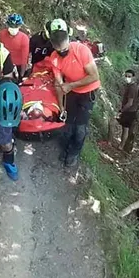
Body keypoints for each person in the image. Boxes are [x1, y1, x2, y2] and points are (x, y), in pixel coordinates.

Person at [47, 18, 101, 168]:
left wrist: (71, 85)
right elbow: (59, 84)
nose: (63, 53)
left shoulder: (81, 50)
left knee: (80, 128)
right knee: (68, 124)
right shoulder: (54, 58)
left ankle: (73, 154)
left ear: (68, 41)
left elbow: (94, 76)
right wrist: (61, 107)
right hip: (71, 90)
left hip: (87, 91)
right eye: (59, 51)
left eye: (65, 49)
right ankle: (65, 149)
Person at [0, 14, 29, 80]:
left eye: (16, 26)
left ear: (19, 26)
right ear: (8, 25)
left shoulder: (24, 38)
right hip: (4, 63)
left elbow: (24, 59)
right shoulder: (1, 35)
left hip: (18, 65)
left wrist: (21, 76)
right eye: (11, 26)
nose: (13, 29)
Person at [117, 69, 139, 151]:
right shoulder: (129, 86)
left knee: (125, 129)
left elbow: (130, 103)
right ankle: (121, 145)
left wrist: (122, 110)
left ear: (133, 77)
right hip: (128, 110)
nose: (127, 78)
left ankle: (121, 146)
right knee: (124, 128)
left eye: (129, 76)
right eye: (126, 76)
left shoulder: (132, 88)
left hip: (129, 111)